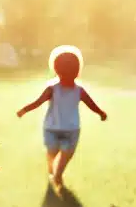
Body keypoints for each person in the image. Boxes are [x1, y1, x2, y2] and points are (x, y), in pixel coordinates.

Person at [16, 44, 107, 188]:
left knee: (57, 153)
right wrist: (101, 113)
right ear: (78, 70)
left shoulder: (65, 90)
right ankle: (55, 173)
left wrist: (23, 110)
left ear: (55, 69)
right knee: (62, 154)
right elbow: (38, 102)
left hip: (56, 128)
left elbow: (91, 104)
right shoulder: (60, 89)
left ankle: (55, 174)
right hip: (66, 129)